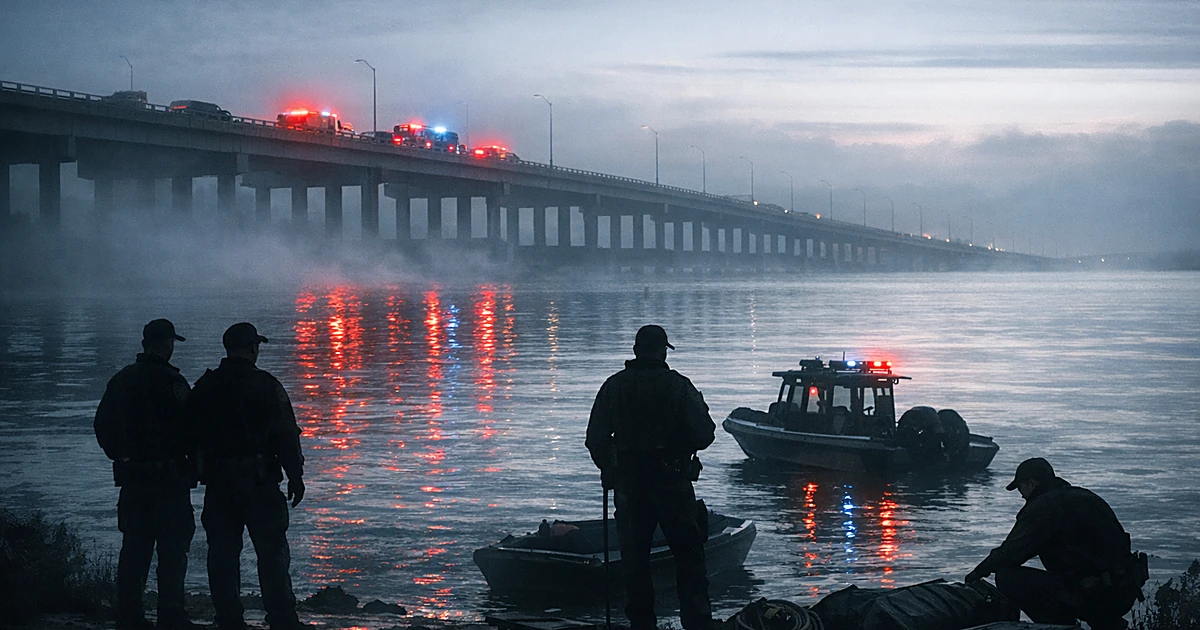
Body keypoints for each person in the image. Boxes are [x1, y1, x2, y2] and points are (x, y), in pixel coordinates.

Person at [586, 324, 716, 630]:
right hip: (672, 483)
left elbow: (595, 438)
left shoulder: (613, 387)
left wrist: (610, 468)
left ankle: (642, 624)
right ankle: (697, 623)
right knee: (689, 558)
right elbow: (704, 434)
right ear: (662, 351)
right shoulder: (679, 387)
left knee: (635, 561)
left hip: (630, 486)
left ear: (635, 351)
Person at [187, 323, 305, 630]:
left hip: (219, 484)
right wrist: (295, 475)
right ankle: (282, 619)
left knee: (222, 555)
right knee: (272, 554)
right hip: (260, 483)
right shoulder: (265, 385)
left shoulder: (205, 386)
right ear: (252, 348)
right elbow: (286, 434)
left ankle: (228, 619)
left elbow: (187, 434)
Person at [93, 318, 196, 630]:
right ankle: (171, 616)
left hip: (135, 479)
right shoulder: (172, 382)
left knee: (135, 550)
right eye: (170, 343)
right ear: (166, 344)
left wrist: (122, 455)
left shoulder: (122, 380)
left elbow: (102, 425)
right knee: (173, 551)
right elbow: (192, 426)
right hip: (169, 481)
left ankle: (129, 616)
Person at [966, 457, 1146, 630]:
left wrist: (977, 574)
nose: (1021, 496)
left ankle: (1062, 627)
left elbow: (1010, 553)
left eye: (1021, 488)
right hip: (1125, 591)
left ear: (1032, 483)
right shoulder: (1086, 496)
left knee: (1007, 577)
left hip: (1093, 595)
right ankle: (1107, 623)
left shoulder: (1042, 507)